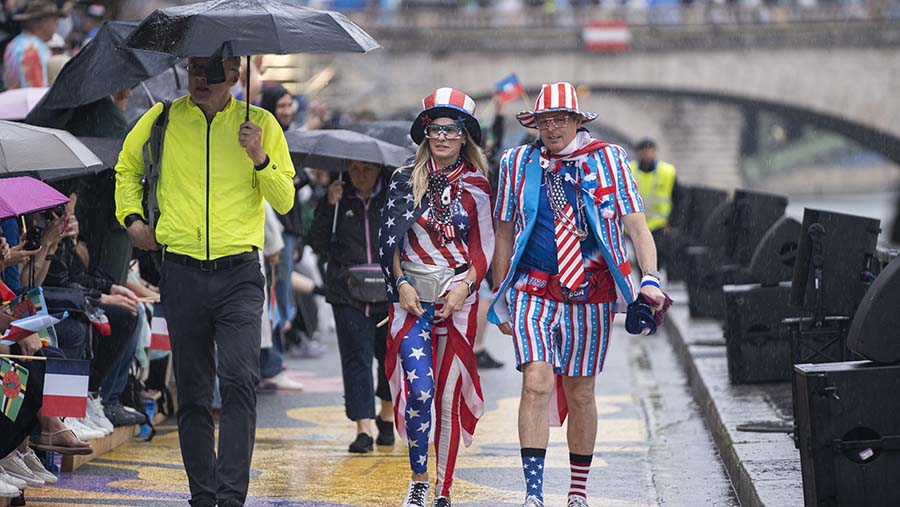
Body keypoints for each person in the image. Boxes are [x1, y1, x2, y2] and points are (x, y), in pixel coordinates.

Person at [115, 54, 295, 507]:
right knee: (194, 394)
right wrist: (132, 219)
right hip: (182, 271)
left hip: (239, 274)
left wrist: (259, 157)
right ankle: (204, 496)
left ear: (234, 75)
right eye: (194, 69)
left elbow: (286, 199)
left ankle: (231, 497)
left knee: (238, 382)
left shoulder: (262, 123)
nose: (199, 79)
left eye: (211, 72)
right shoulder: (163, 118)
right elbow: (126, 168)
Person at [489, 82, 666, 507]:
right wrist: (501, 296)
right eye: (543, 121)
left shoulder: (609, 160)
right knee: (535, 382)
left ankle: (577, 491)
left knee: (581, 390)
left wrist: (651, 277)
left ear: (576, 121)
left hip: (591, 293)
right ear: (533, 124)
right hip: (534, 288)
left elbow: (637, 226)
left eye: (560, 120)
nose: (551, 128)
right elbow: (503, 231)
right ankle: (533, 494)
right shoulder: (517, 162)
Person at [379, 88, 494, 507]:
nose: (442, 136)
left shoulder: (479, 184)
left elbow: (484, 247)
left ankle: (443, 490)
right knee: (420, 389)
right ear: (424, 133)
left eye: (451, 129)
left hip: (457, 300)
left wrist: (466, 286)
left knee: (447, 397)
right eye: (434, 128)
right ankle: (418, 478)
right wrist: (401, 284)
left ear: (464, 136)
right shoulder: (403, 178)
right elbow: (388, 240)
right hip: (410, 300)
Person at [310, 160, 394, 453]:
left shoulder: (393, 196)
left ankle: (387, 414)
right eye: (355, 170)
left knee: (389, 359)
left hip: (390, 293)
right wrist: (330, 205)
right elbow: (317, 243)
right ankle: (363, 428)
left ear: (379, 169)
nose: (361, 176)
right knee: (356, 359)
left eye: (367, 170)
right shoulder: (336, 198)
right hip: (347, 293)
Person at [629, 138, 678, 270]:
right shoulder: (629, 170)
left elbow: (678, 199)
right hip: (637, 223)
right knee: (641, 256)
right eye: (643, 151)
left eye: (649, 151)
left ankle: (654, 282)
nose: (647, 154)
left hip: (660, 225)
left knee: (658, 255)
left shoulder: (667, 172)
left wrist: (672, 223)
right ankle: (646, 282)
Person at [2, 0, 61, 89]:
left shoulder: (15, 44)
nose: (56, 26)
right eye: (55, 21)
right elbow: (35, 91)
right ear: (44, 23)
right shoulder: (32, 48)